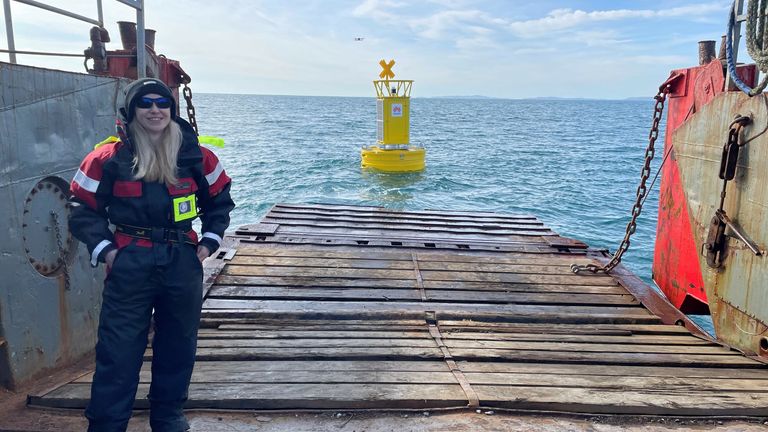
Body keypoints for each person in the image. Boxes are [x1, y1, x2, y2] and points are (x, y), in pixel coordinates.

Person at [69, 78, 235, 431]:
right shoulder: (108, 159)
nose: (155, 110)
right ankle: (108, 423)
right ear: (132, 112)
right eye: (145, 104)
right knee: (118, 348)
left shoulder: (197, 156)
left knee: (179, 342)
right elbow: (81, 208)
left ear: (172, 110)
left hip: (182, 260)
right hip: (131, 260)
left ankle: (168, 415)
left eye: (162, 103)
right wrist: (107, 251)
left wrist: (207, 242)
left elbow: (219, 201)